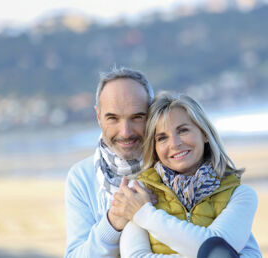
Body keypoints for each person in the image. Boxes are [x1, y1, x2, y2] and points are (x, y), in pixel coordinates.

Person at [112, 91, 262, 257]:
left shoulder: (240, 195)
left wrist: (144, 214)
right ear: (153, 148)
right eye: (162, 138)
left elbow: (217, 250)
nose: (175, 144)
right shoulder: (139, 193)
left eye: (183, 130)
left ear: (204, 133)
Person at [64, 67, 155, 257]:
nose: (126, 132)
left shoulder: (174, 164)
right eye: (113, 118)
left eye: (137, 117)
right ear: (98, 116)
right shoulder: (81, 177)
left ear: (152, 114)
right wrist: (114, 220)